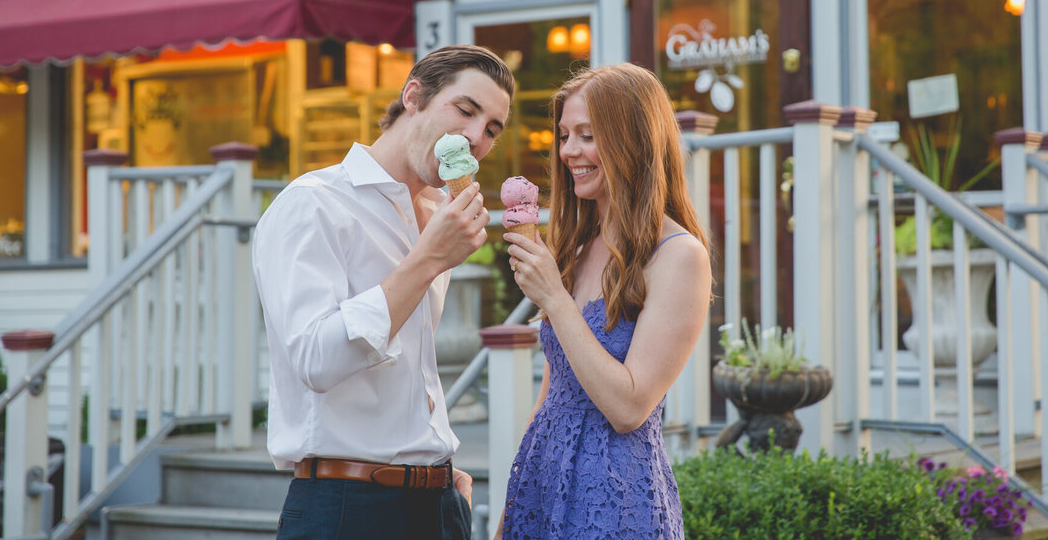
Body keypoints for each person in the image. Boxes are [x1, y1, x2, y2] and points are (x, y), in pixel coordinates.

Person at [253, 45, 515, 540]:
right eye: (466, 110)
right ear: (413, 96)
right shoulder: (313, 204)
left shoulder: (439, 213)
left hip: (439, 502)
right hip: (349, 505)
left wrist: (437, 468)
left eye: (492, 129)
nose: (477, 137)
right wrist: (427, 260)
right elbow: (314, 359)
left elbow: (413, 370)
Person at [498, 63, 712, 540]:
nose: (569, 151)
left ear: (631, 141)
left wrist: (554, 298)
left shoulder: (679, 257)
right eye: (564, 135)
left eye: (587, 136)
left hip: (613, 499)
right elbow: (552, 393)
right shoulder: (576, 249)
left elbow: (629, 407)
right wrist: (511, 512)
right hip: (541, 484)